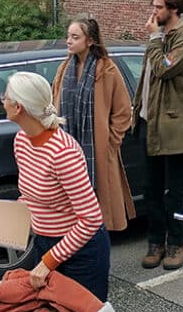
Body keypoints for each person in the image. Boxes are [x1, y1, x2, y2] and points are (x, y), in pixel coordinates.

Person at [1, 70, 109, 312]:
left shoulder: (63, 151)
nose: (2, 101)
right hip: (47, 245)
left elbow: (90, 218)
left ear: (19, 107)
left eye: (6, 96)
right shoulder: (22, 140)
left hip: (82, 253)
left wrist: (48, 263)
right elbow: (30, 197)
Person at [133, 0, 183, 271]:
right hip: (150, 121)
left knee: (173, 190)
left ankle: (176, 243)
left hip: (175, 126)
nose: (154, 12)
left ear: (173, 9)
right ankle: (155, 242)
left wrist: (153, 39)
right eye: (153, 6)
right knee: (151, 188)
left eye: (159, 7)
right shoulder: (161, 36)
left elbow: (163, 68)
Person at [52, 16, 135, 231]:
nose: (68, 41)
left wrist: (110, 141)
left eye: (75, 37)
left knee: (99, 215)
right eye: (68, 36)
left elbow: (124, 111)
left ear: (90, 41)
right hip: (68, 149)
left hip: (97, 152)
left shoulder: (107, 69)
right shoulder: (64, 68)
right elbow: (53, 104)